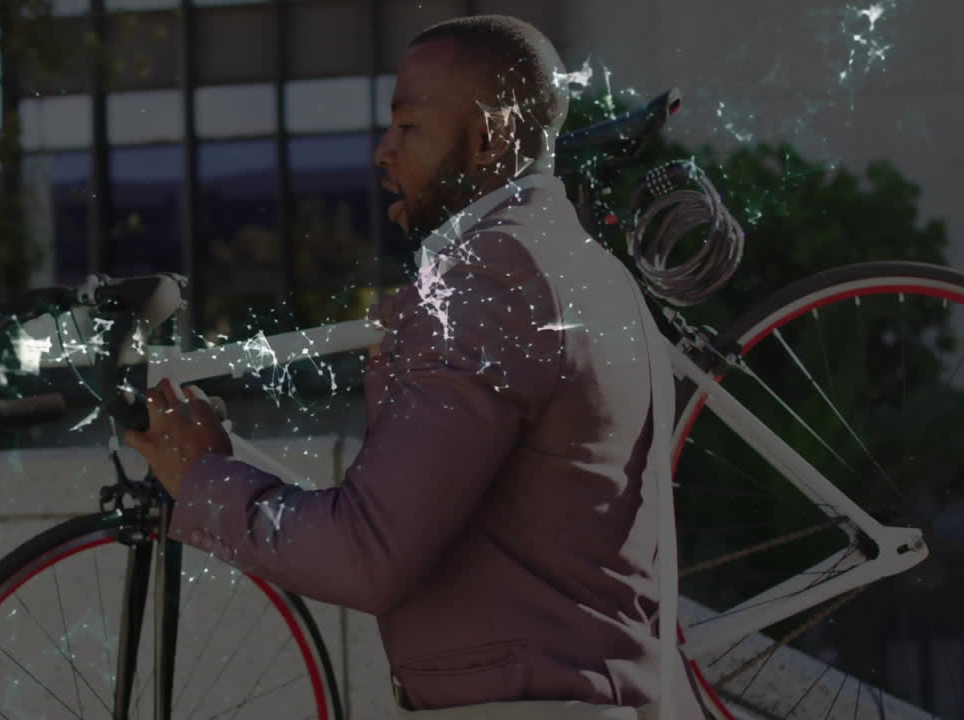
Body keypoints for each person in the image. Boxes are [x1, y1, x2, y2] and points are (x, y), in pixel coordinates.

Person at [123, 14, 711, 720]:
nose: (383, 151)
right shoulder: (585, 268)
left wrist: (201, 479)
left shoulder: (489, 280)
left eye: (407, 127)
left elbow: (366, 553)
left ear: (488, 137)